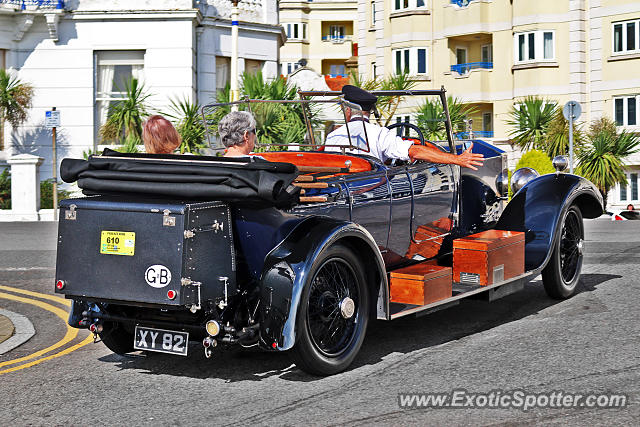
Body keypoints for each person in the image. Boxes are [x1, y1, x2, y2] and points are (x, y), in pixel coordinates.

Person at [324, 85, 484, 170]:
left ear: (348, 110)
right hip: (369, 191)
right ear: (370, 111)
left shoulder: (332, 136)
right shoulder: (378, 133)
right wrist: (456, 159)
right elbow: (414, 151)